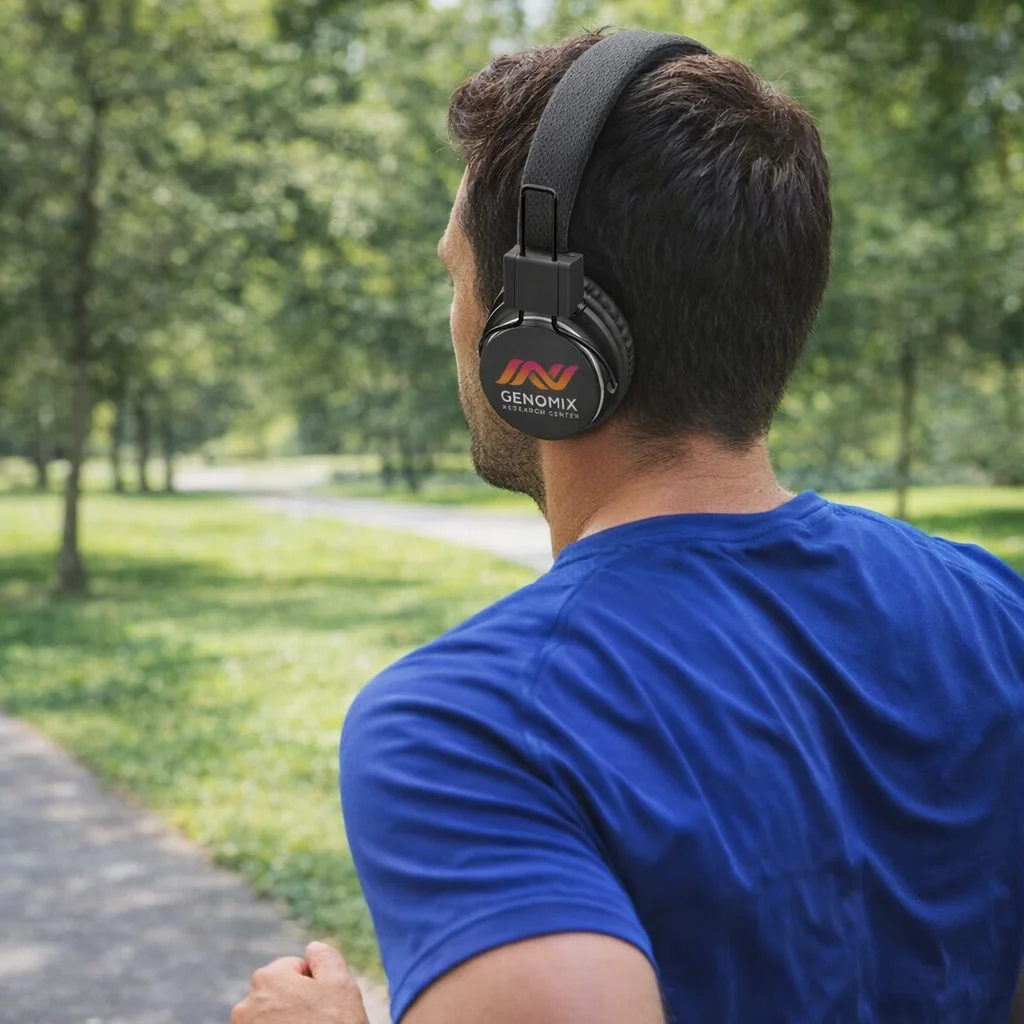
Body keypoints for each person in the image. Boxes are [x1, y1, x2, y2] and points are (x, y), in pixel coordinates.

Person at [231, 29, 1024, 1024]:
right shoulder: (994, 611)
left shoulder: (469, 729)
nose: (453, 316)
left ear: (544, 336)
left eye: (455, 276)